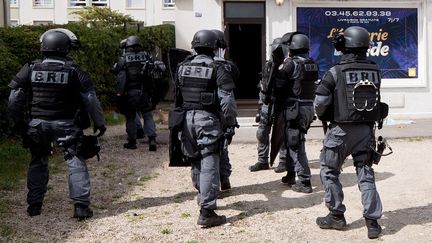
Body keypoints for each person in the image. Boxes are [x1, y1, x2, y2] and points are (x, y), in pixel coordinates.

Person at [7, 28, 106, 219]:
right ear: (66, 48)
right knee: (75, 160)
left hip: (37, 125)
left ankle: (34, 206)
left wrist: (19, 124)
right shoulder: (75, 72)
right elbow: (91, 100)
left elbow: (14, 99)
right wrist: (99, 123)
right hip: (66, 124)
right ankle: (81, 207)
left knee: (38, 160)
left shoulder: (30, 68)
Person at [314, 26, 387, 239]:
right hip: (366, 132)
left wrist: (325, 115)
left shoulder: (335, 72)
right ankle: (372, 222)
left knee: (329, 171)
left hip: (340, 132)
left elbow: (319, 103)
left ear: (345, 45)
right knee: (365, 173)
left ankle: (336, 216)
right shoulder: (374, 70)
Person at [175, 29, 237, 227]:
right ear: (214, 47)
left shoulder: (182, 67)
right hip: (207, 120)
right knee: (210, 159)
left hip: (186, 120)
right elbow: (226, 100)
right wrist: (228, 123)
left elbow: (178, 97)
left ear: (194, 45)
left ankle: (201, 195)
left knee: (195, 159)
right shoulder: (218, 68)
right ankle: (207, 211)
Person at [271, 32, 318, 193]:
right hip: (308, 107)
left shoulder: (291, 64)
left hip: (295, 108)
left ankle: (304, 181)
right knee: (291, 140)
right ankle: (291, 175)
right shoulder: (312, 63)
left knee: (296, 143)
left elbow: (278, 83)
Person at [249, 37, 290, 174]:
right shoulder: (268, 66)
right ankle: (262, 160)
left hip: (281, 106)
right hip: (267, 105)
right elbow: (263, 88)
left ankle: (283, 161)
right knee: (262, 133)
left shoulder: (288, 66)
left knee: (282, 134)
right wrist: (260, 108)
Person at [112, 35, 158, 151]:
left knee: (131, 117)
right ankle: (152, 140)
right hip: (145, 92)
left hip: (130, 94)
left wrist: (119, 94)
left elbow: (119, 76)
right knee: (148, 115)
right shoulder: (147, 56)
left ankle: (132, 142)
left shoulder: (124, 58)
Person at [211, 29, 239, 190]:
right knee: (221, 147)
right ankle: (223, 178)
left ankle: (209, 187)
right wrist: (230, 121)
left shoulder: (190, 64)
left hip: (201, 115)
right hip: (219, 114)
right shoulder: (225, 67)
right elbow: (227, 99)